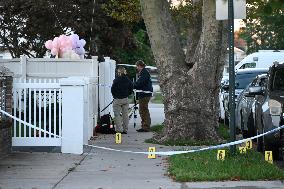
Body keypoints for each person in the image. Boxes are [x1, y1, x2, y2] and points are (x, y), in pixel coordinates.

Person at [111, 67, 133, 134]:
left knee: (117, 115)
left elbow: (112, 89)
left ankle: (119, 130)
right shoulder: (128, 80)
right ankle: (125, 129)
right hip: (125, 99)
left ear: (119, 72)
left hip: (117, 99)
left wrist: (114, 96)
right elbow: (131, 88)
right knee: (125, 115)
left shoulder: (116, 80)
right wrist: (127, 94)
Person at [134, 60, 153, 132]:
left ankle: (146, 127)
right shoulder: (143, 72)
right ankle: (144, 125)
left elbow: (140, 83)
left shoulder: (144, 73)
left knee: (143, 110)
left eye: (137, 66)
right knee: (142, 110)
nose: (137, 68)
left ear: (139, 66)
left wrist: (132, 85)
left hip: (145, 94)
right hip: (144, 94)